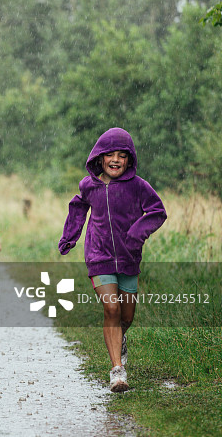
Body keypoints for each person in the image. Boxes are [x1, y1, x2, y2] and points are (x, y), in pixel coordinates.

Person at [59, 127, 166, 393]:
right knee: (112, 310)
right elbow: (78, 207)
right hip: (99, 256)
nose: (116, 160)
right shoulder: (89, 185)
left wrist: (135, 236)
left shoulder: (139, 186)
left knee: (126, 315)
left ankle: (121, 338)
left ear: (130, 160)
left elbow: (157, 212)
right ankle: (117, 371)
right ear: (99, 158)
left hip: (129, 259)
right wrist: (71, 236)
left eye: (122, 155)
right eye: (110, 155)